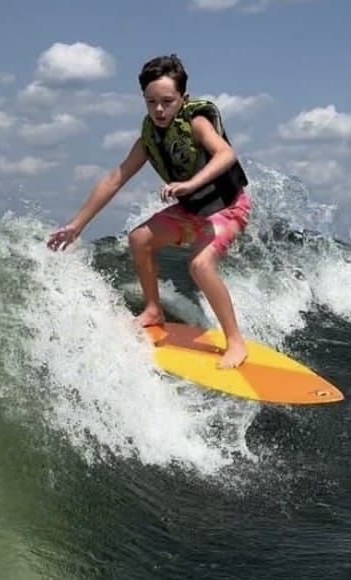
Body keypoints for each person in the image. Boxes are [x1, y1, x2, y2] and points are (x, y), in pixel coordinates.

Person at [47, 54, 251, 368]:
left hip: (229, 208)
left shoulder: (197, 122)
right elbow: (115, 178)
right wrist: (77, 225)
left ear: (183, 99)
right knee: (139, 238)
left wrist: (190, 184)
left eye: (167, 101)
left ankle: (235, 342)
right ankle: (153, 309)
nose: (158, 109)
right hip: (193, 210)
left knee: (200, 265)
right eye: (150, 101)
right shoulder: (148, 139)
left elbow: (225, 154)